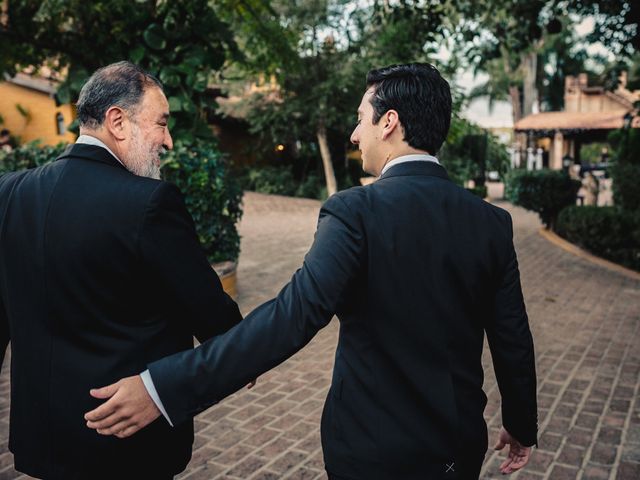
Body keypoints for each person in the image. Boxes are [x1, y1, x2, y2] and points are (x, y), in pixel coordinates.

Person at [86, 63, 538, 479]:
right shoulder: (491, 222)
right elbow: (512, 337)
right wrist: (520, 425)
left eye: (361, 118)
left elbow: (293, 315)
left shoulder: (355, 212)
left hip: (370, 449)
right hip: (458, 448)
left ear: (389, 121)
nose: (356, 134)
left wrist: (162, 388)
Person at [0, 61, 243, 479]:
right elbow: (211, 314)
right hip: (125, 443)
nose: (167, 141)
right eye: (161, 123)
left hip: (42, 436)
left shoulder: (8, 191)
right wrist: (241, 352)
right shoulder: (150, 202)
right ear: (117, 121)